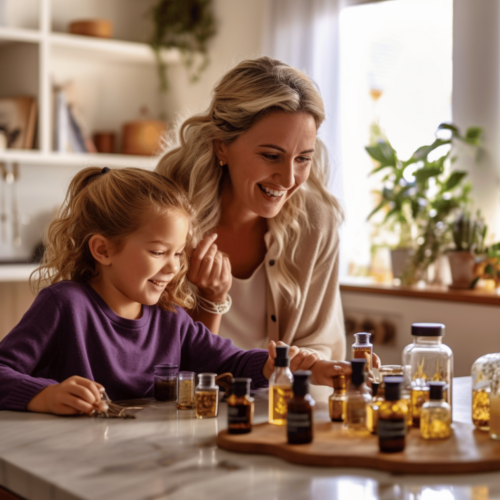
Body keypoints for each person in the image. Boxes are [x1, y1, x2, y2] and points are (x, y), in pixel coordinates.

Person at [0, 167, 350, 415]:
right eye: (157, 252)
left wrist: (287, 365)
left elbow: (231, 362)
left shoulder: (171, 320)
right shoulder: (65, 305)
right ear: (103, 250)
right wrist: (45, 395)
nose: (174, 267)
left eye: (179, 253)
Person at [157, 57, 351, 367]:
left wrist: (306, 364)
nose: (289, 180)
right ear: (222, 146)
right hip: (188, 404)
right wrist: (209, 301)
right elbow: (149, 349)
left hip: (278, 402)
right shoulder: (162, 214)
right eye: (272, 155)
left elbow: (320, 339)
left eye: (302, 159)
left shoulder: (316, 219)